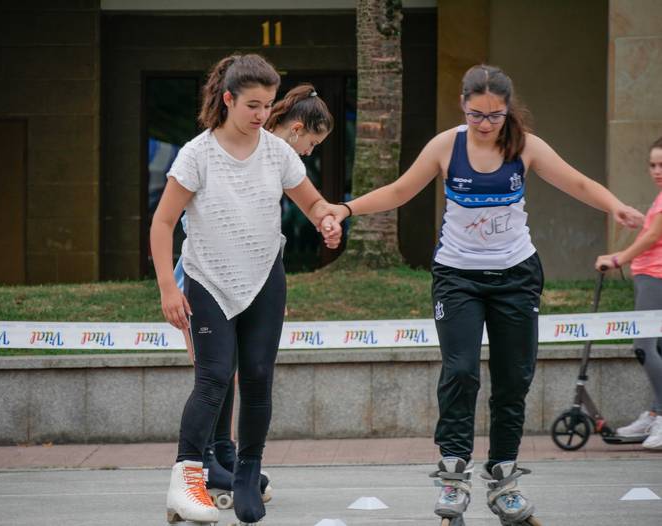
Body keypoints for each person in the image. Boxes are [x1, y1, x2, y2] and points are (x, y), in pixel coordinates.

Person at [319, 64, 643, 525]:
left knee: (514, 378)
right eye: (476, 115)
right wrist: (345, 209)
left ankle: (504, 480)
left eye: (494, 115)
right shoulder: (446, 146)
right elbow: (400, 190)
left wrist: (615, 206)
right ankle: (453, 475)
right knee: (460, 370)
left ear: (508, 110)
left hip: (516, 275)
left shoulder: (524, 145)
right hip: (458, 277)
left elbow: (576, 182)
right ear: (463, 107)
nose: (486, 124)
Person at [151, 55, 340, 525]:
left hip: (264, 280)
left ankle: (247, 471)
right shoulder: (197, 154)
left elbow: (312, 202)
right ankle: (186, 480)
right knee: (214, 378)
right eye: (253, 105)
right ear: (228, 99)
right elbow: (163, 222)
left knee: (257, 377)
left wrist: (327, 219)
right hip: (208, 280)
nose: (261, 114)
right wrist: (168, 289)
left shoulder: (278, 153)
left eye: (268, 105)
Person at [595, 136, 662, 450]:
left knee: (643, 347)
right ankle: (655, 412)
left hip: (655, 276)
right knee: (656, 347)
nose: (657, 171)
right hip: (649, 276)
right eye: (652, 165)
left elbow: (653, 237)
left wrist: (617, 259)